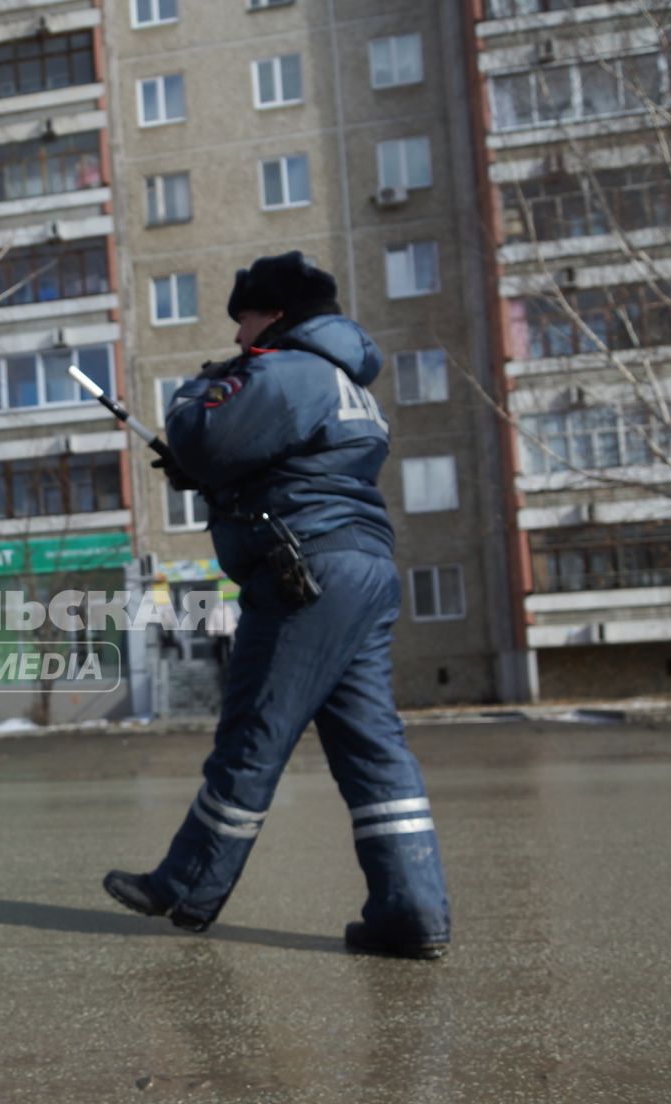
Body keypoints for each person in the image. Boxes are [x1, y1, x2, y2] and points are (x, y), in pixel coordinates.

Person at [103, 251, 452, 960]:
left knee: (253, 733)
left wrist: (198, 396)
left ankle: (188, 887)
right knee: (373, 750)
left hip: (304, 574)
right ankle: (411, 912)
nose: (238, 338)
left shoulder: (289, 370)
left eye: (246, 320)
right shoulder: (350, 385)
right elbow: (274, 464)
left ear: (278, 314)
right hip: (362, 568)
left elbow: (205, 435)